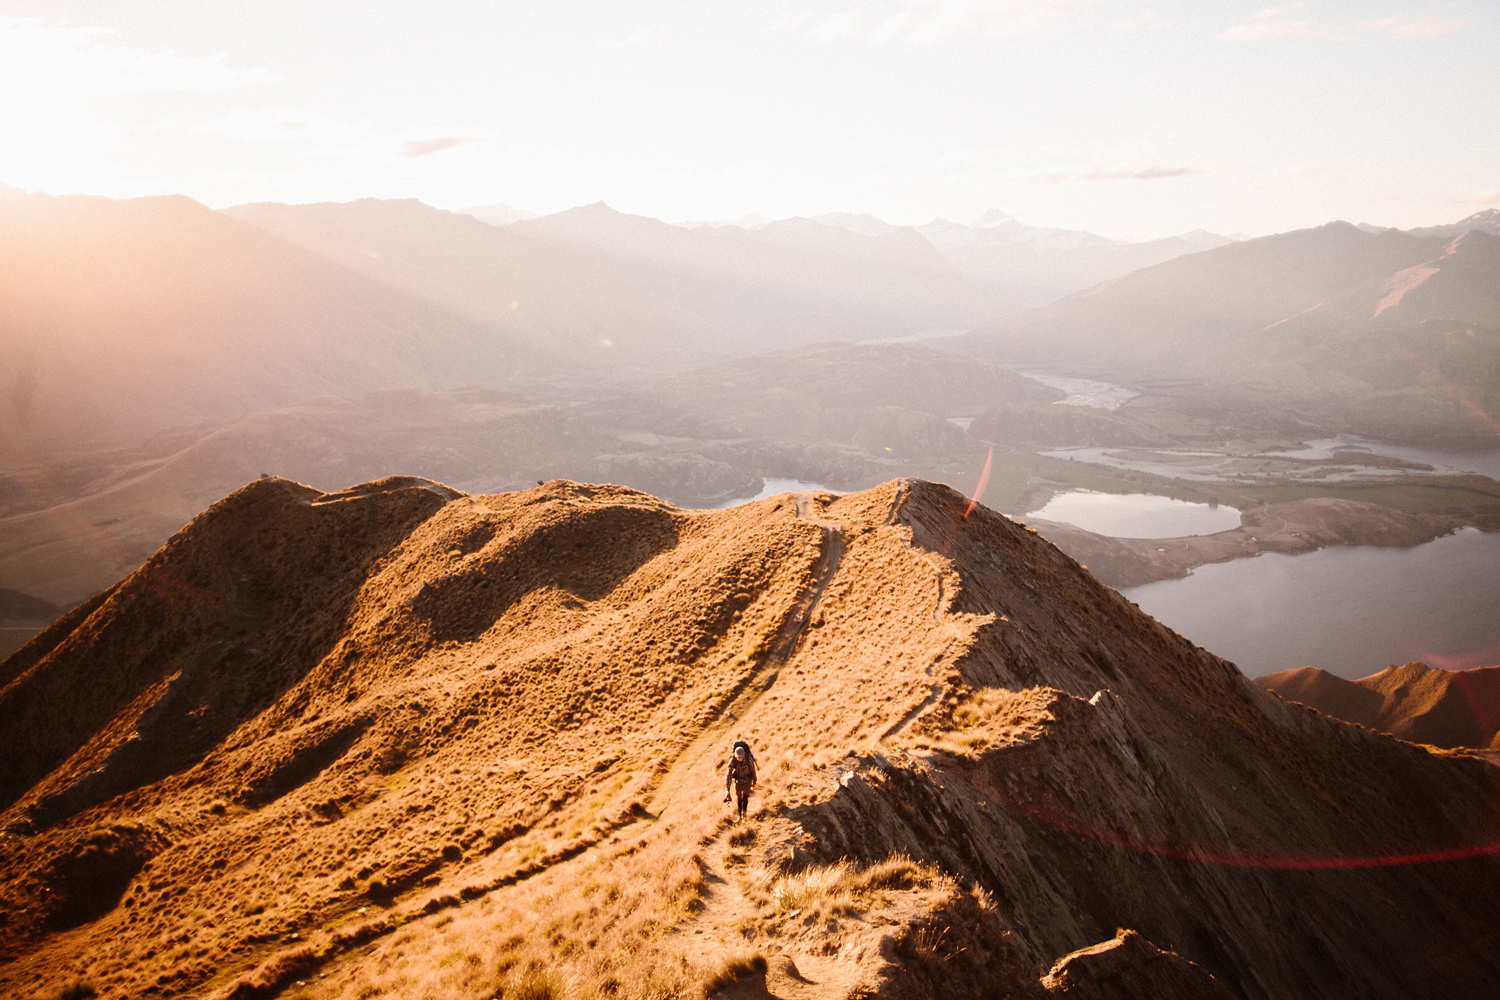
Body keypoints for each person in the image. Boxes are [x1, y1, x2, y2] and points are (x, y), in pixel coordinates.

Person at [724, 740, 757, 821]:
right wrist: (727, 790)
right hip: (738, 780)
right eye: (738, 757)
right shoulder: (733, 761)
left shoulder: (749, 759)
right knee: (739, 798)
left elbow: (753, 771)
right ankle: (740, 815)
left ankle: (744, 814)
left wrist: (754, 782)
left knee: (745, 796)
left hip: (747, 779)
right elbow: (729, 775)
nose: (739, 758)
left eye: (740, 757)